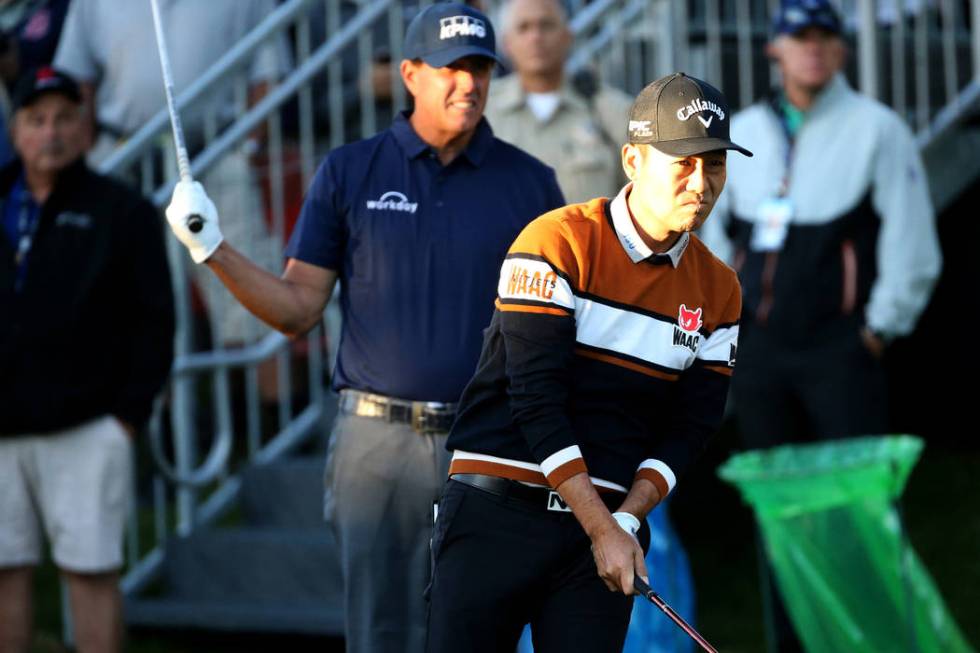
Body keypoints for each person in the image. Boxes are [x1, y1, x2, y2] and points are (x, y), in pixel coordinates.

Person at [163, 4, 565, 652]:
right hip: (376, 444)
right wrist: (212, 248)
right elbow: (298, 307)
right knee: (381, 632)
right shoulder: (350, 171)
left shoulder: (531, 183)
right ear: (410, 73)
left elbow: (555, 325)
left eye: (481, 68)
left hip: (491, 440)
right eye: (451, 68)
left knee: (482, 630)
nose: (468, 83)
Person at [424, 72, 749, 652]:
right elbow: (535, 400)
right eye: (683, 163)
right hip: (495, 512)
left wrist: (626, 520)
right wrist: (605, 526)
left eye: (715, 165)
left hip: (603, 534)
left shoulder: (721, 289)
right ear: (633, 160)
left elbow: (693, 424)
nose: (701, 183)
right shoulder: (556, 241)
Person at [700, 1, 942, 650]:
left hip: (841, 349)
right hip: (762, 355)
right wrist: (727, 322)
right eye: (798, 38)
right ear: (773, 50)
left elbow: (912, 241)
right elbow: (715, 231)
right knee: (779, 514)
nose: (812, 48)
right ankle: (792, 641)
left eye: (825, 38)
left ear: (841, 51)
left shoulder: (875, 127)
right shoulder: (743, 128)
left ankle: (871, 637)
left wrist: (879, 328)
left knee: (857, 509)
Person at [0, 67, 175, 653]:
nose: (50, 132)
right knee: (4, 574)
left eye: (63, 118)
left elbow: (155, 321)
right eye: (36, 119)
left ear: (84, 128)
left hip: (88, 427)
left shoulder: (122, 211)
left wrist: (125, 419)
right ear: (16, 129)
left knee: (92, 573)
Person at [53, 0, 287, 346]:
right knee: (125, 315)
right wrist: (89, 152)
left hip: (215, 154)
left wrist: (248, 150)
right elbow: (76, 80)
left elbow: (267, 73)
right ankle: (153, 399)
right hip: (123, 161)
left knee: (253, 318)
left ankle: (261, 402)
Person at [484, 0, 633, 203]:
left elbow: (638, 195)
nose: (535, 37)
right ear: (506, 43)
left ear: (567, 36)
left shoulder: (609, 110)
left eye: (546, 25)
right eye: (523, 27)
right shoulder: (483, 109)